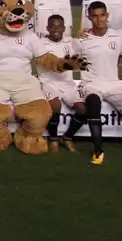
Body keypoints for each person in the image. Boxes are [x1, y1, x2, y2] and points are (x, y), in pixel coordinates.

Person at [73, 2, 122, 165]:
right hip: (91, 84)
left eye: (102, 15)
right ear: (89, 17)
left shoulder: (118, 36)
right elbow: (71, 61)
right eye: (95, 16)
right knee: (93, 102)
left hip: (114, 84)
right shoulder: (80, 40)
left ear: (107, 16)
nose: (99, 19)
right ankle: (98, 150)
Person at [36, 15, 85, 152]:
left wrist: (83, 36)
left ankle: (68, 137)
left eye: (59, 26)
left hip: (67, 83)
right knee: (55, 105)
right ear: (47, 28)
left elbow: (80, 58)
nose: (55, 29)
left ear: (64, 28)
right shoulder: (40, 44)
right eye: (52, 26)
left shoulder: (71, 43)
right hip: (48, 82)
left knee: (82, 109)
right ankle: (53, 138)